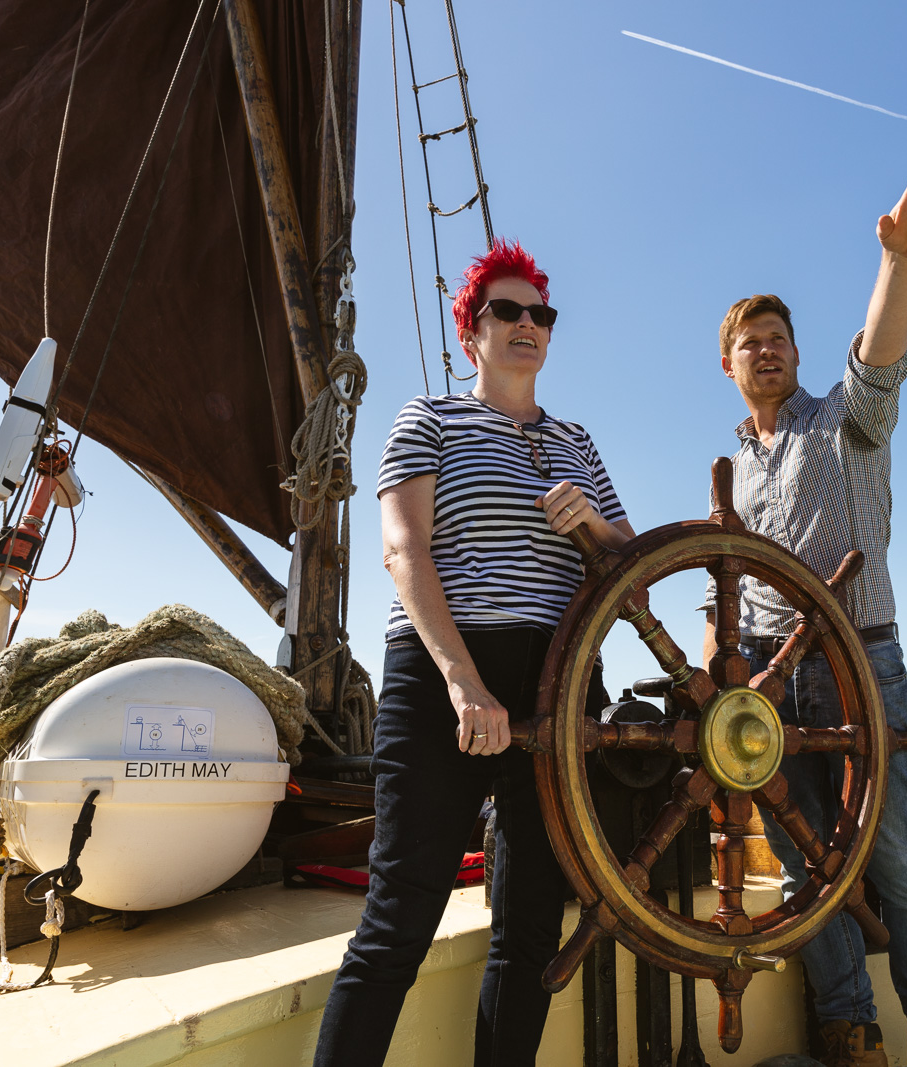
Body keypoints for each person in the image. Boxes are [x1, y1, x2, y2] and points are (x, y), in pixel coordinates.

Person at [702, 153, 907, 1067]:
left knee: (896, 852)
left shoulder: (846, 423)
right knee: (799, 861)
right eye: (752, 341)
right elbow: (724, 586)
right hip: (772, 690)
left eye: (780, 335)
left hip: (865, 661)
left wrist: (900, 262)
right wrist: (718, 686)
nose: (770, 348)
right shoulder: (732, 471)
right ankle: (848, 1028)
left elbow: (879, 353)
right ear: (727, 363)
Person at [315, 240, 634, 1067]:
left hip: (561, 684)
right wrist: (462, 681)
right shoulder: (428, 418)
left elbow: (633, 579)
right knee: (398, 919)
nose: (528, 324)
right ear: (472, 330)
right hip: (443, 674)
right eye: (508, 310)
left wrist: (592, 528)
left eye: (541, 314)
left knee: (530, 922)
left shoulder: (579, 442)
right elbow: (403, 552)